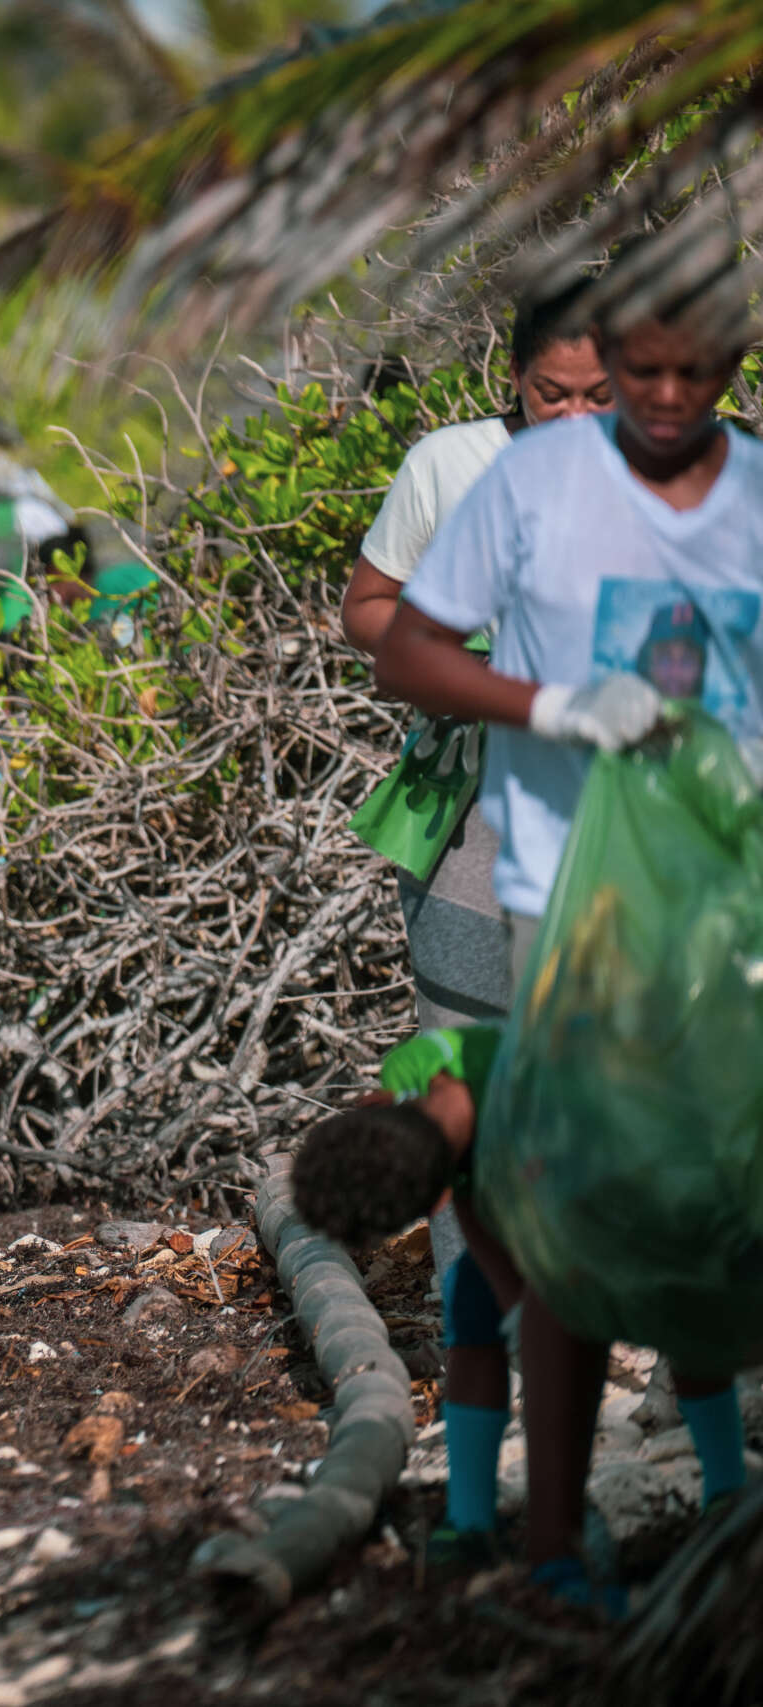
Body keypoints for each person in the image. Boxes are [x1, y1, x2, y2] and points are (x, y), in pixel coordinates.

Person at [375, 273, 763, 1587]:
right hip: (560, 896)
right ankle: (547, 1538)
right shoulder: (528, 483)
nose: (656, 402)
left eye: (686, 375)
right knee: (565, 1208)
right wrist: (546, 706)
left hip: (721, 898)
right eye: (625, 377)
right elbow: (402, 647)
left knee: (708, 1191)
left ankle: (721, 1494)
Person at [293, 1030, 749, 1601]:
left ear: (433, 1199)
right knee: (472, 1297)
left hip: (636, 1181)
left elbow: (527, 1268)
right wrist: (523, 1320)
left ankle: (721, 1491)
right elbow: (486, 1238)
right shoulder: (413, 1075)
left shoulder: (523, 1135)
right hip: (556, 1180)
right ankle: (472, 1519)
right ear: (373, 1107)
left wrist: (539, 1333)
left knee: (677, 1314)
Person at [342, 295, 612, 1035]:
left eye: (601, 396)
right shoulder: (447, 463)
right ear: (515, 374)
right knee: (468, 1049)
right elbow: (366, 606)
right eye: (552, 395)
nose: (576, 419)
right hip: (472, 806)